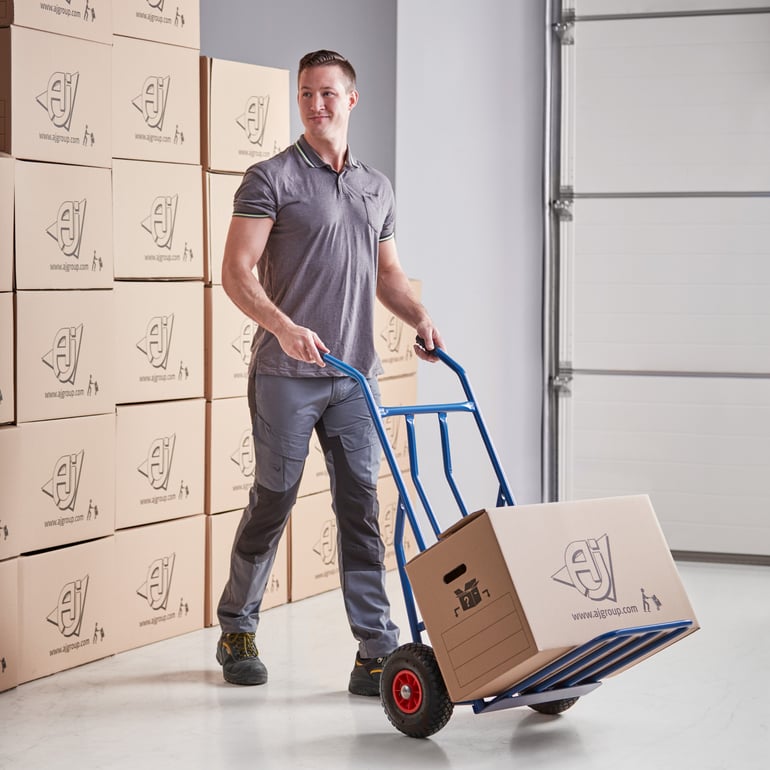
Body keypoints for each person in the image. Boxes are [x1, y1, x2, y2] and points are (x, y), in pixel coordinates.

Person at [216, 49, 444, 695]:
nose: (316, 104)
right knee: (275, 499)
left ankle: (375, 650)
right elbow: (235, 271)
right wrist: (284, 328)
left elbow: (388, 275)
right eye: (306, 94)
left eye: (328, 94)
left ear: (351, 100)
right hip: (286, 376)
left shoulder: (376, 186)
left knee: (360, 506)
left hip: (354, 376)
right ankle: (237, 625)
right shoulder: (270, 178)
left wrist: (418, 316)